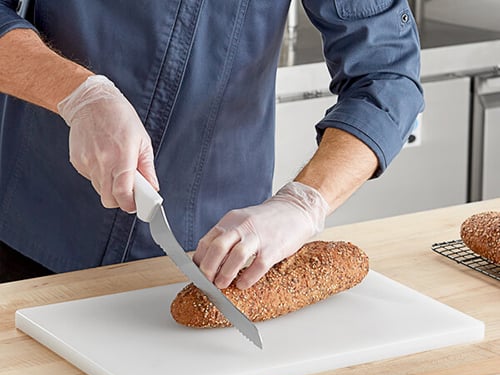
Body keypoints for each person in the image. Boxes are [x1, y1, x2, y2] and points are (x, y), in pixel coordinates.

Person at [0, 1, 424, 287]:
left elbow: (385, 75)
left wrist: (305, 202)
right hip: (31, 233)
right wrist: (78, 94)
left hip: (217, 259)